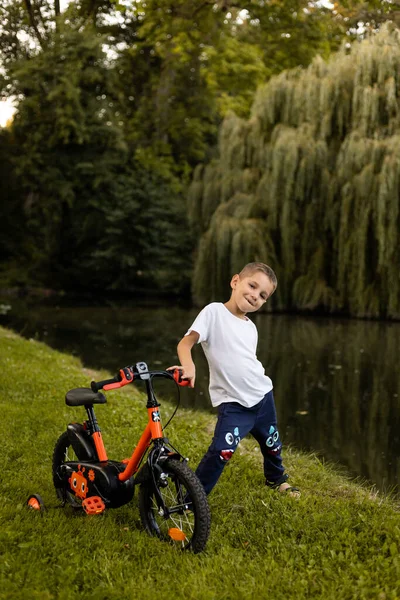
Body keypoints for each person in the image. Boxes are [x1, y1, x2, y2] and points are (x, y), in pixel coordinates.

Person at [169, 262, 300, 497]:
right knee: (221, 450)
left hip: (262, 397)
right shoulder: (213, 312)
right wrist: (189, 367)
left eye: (262, 295)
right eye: (252, 286)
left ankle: (276, 478)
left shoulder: (251, 328)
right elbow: (185, 343)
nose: (254, 296)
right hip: (234, 403)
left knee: (272, 444)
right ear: (235, 281)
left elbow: (247, 361)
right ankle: (193, 497)